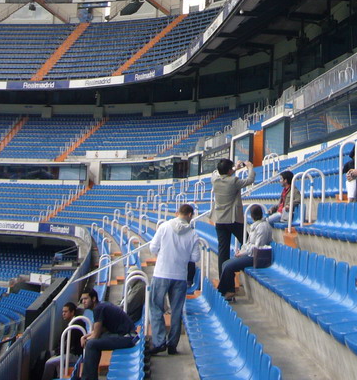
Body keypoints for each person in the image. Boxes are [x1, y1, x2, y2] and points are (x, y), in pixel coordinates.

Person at [147, 203, 201, 356]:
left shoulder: (164, 227)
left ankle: (159, 342)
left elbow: (153, 248)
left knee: (156, 307)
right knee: (176, 310)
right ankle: (172, 345)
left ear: (178, 212)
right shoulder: (193, 234)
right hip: (180, 276)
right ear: (190, 215)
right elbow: (195, 257)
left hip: (162, 273)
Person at [77, 289, 137, 380]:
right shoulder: (101, 306)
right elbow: (100, 331)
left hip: (128, 337)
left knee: (91, 344)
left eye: (86, 299)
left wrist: (86, 340)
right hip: (129, 336)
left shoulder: (98, 309)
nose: (83, 302)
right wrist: (84, 337)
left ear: (93, 299)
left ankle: (87, 378)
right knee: (93, 343)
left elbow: (95, 335)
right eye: (82, 300)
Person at [217, 204, 273, 299]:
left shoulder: (262, 227)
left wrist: (243, 253)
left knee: (228, 267)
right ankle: (228, 290)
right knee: (225, 264)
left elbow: (257, 247)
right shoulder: (255, 226)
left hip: (256, 256)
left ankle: (225, 291)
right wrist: (242, 250)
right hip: (250, 254)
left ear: (252, 216)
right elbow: (248, 243)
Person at [211, 158, 255, 273]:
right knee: (246, 240)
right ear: (230, 171)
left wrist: (235, 168)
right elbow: (250, 180)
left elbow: (222, 173)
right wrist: (250, 167)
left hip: (220, 220)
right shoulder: (234, 181)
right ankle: (243, 262)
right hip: (232, 219)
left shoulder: (214, 180)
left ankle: (225, 282)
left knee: (223, 251)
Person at [41, 302, 83, 380]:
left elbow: (69, 345)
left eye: (66, 312)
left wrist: (58, 353)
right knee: (46, 354)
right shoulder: (72, 323)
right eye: (63, 312)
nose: (63, 314)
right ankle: (57, 376)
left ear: (72, 312)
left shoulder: (76, 324)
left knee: (49, 363)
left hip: (74, 355)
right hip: (68, 352)